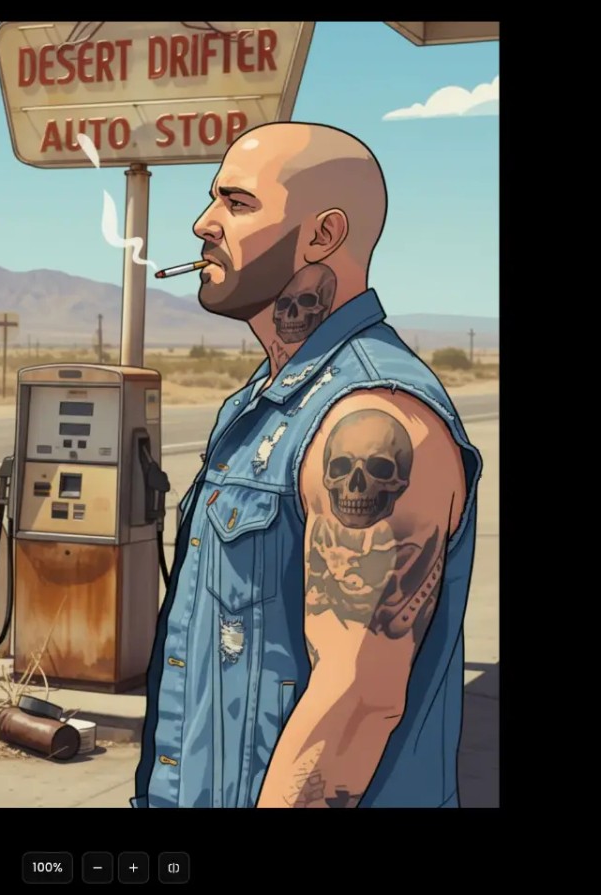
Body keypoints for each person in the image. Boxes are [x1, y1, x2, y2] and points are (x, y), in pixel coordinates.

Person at [132, 122, 483, 808]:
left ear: (321, 236)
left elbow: (356, 700)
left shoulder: (372, 420)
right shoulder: (258, 403)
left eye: (236, 203)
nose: (204, 224)